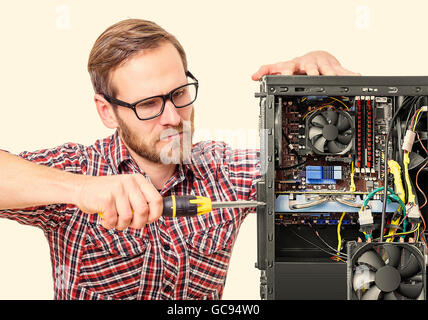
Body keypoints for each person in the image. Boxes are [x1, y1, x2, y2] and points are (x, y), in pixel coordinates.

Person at [0, 18, 357, 300]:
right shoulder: (78, 169)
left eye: (180, 93)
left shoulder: (225, 171)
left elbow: (337, 168)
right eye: (149, 104)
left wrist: (317, 96)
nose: (173, 116)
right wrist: (77, 188)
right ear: (107, 112)